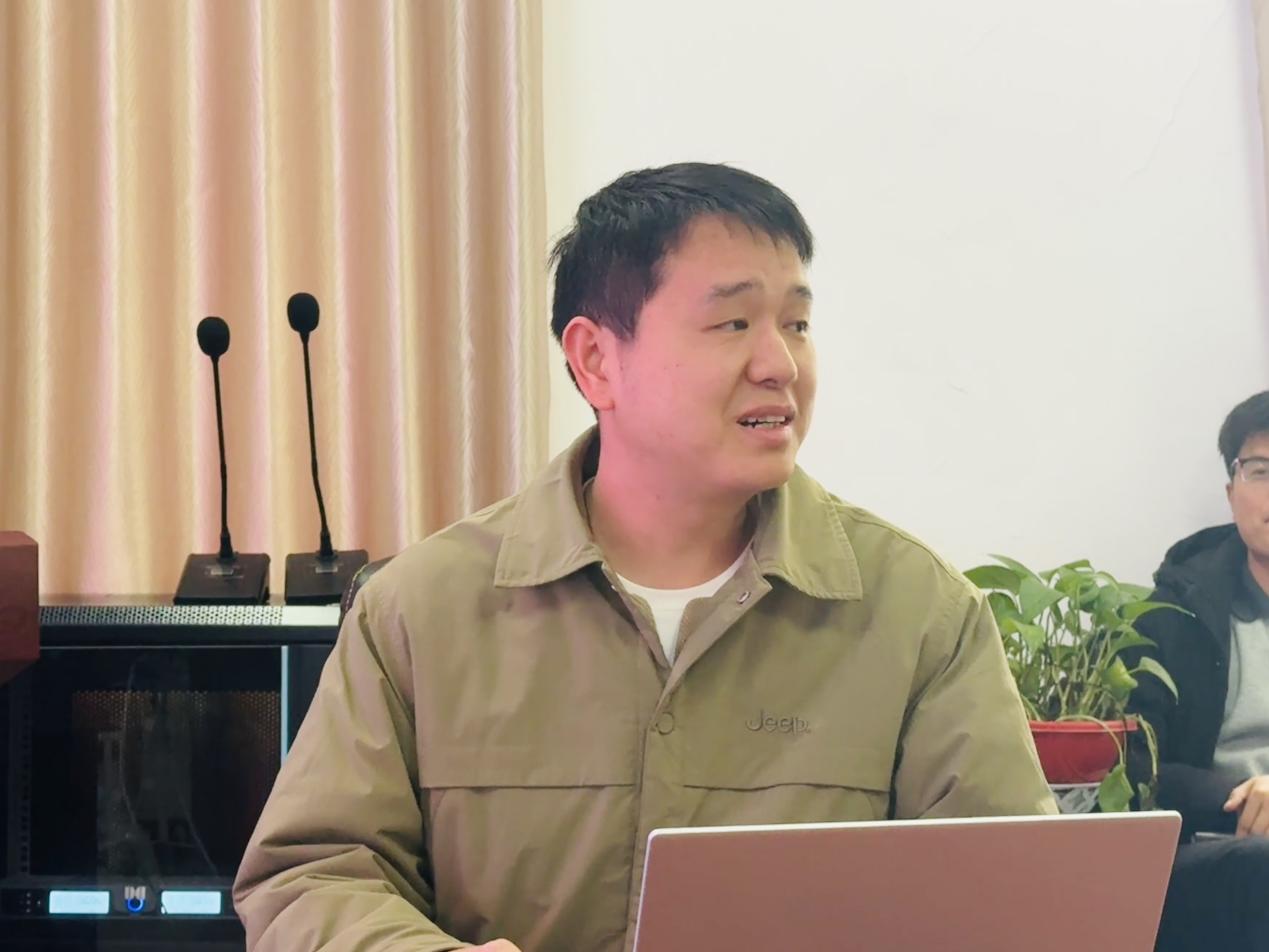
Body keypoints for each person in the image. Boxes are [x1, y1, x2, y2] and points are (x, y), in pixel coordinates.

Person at [232, 162, 1055, 952]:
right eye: (733, 323)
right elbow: (313, 876)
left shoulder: (917, 614)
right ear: (596, 360)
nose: (779, 365)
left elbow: (1011, 901)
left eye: (796, 324)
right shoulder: (422, 609)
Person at [1128, 390, 1269, 951]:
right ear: (1231, 491)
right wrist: (1243, 794)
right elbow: (1137, 761)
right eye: (1261, 471)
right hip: (1216, 847)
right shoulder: (1177, 611)